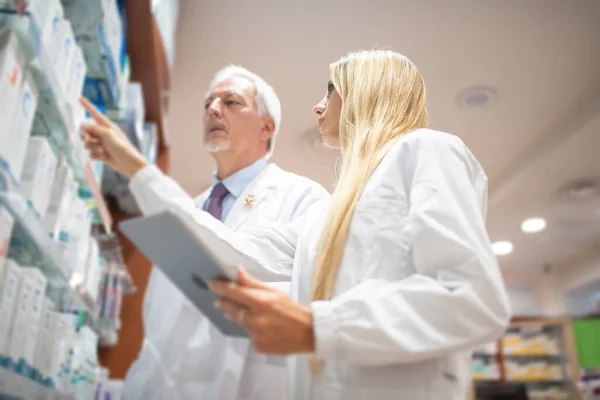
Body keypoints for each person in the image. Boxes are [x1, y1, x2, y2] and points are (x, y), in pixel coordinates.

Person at [82, 50, 511, 400]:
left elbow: (471, 297)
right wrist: (137, 169)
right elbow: (233, 250)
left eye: (331, 88)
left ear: (369, 90)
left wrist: (317, 327)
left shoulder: (425, 150)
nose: (318, 105)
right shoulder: (327, 212)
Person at [80, 65, 329, 400]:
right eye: (209, 103)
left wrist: (138, 170)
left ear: (266, 127)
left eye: (231, 102)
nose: (213, 109)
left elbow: (231, 257)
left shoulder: (303, 200)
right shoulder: (190, 208)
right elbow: (158, 330)